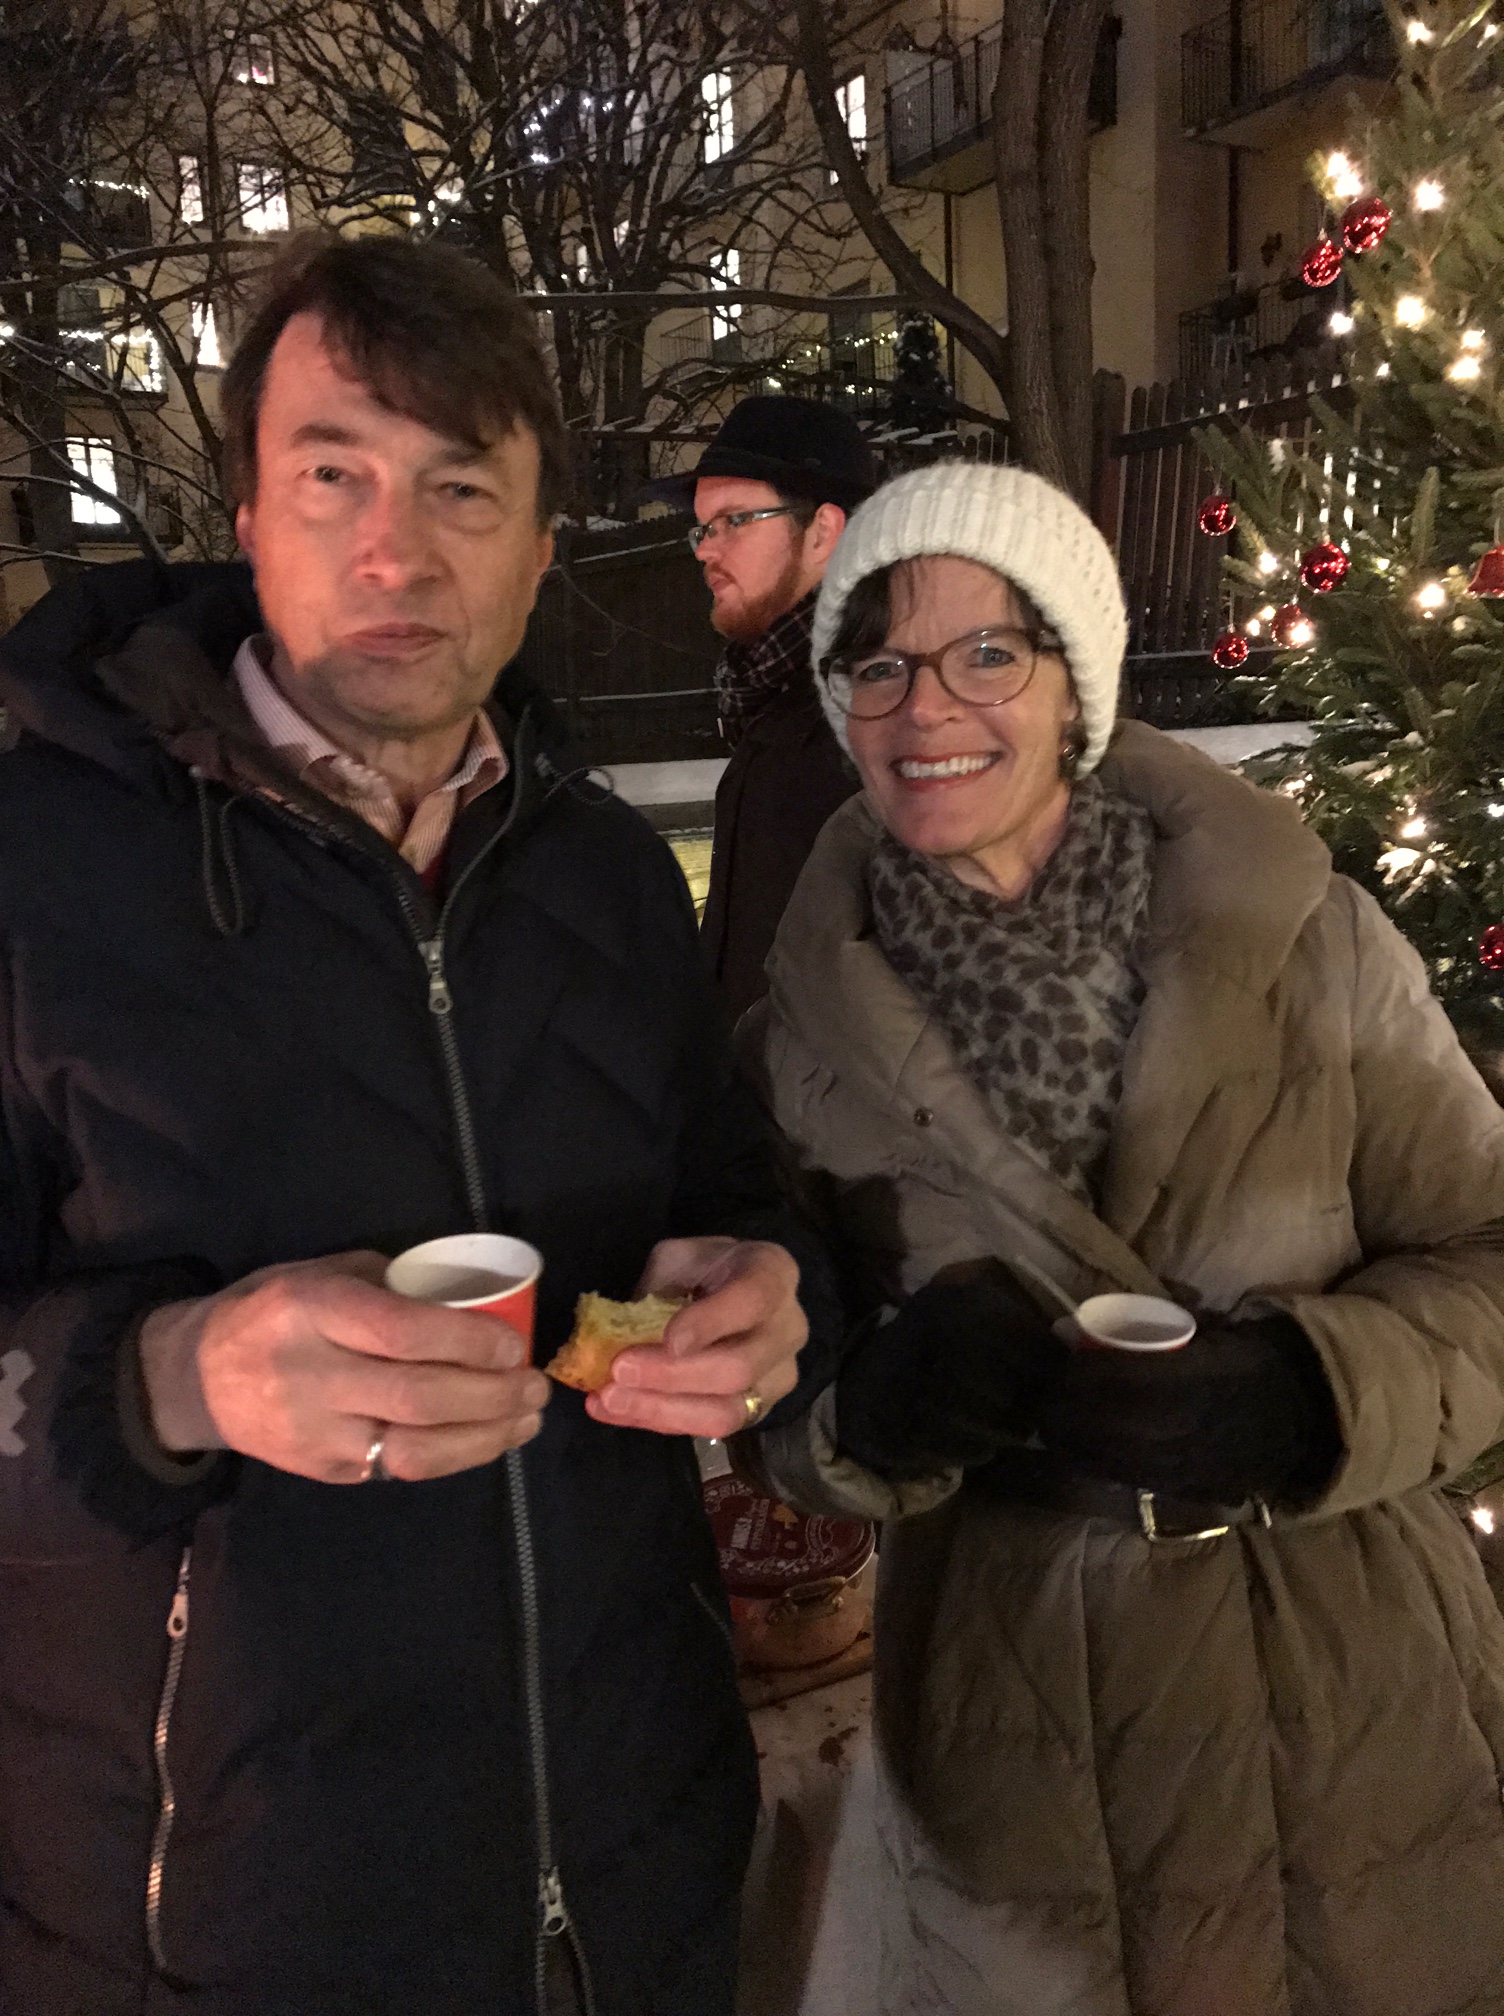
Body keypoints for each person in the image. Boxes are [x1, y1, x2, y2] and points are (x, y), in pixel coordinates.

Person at [0, 233, 837, 2016]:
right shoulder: (34, 873)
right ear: (248, 514)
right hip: (220, 1942)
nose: (398, 551)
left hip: (636, 1887)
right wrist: (169, 1381)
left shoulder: (608, 880)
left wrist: (773, 1296)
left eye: (462, 487)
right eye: (336, 476)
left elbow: (740, 1202)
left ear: (540, 550)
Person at [740, 459, 1504, 2015]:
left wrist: (1316, 1392)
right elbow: (768, 1399)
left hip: (1355, 1708)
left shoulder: (1310, 943)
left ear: (1076, 681)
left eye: (988, 651)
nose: (924, 705)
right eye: (875, 663)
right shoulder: (796, 1041)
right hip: (1013, 1734)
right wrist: (862, 1416)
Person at [653, 396, 874, 1026]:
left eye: (734, 520)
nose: (705, 550)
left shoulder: (876, 722)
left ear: (824, 532)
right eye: (703, 528)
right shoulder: (776, 703)